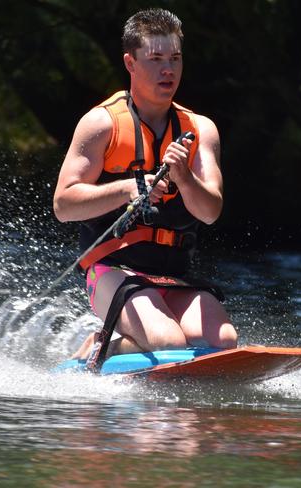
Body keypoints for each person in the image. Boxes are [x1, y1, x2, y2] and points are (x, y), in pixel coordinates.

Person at [53, 8, 237, 364]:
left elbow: (210, 212)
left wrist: (183, 176)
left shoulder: (201, 130)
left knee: (223, 342)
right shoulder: (101, 124)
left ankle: (122, 341)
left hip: (171, 272)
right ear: (131, 63)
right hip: (112, 270)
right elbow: (64, 205)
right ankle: (101, 343)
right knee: (168, 341)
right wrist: (127, 190)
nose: (168, 69)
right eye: (155, 59)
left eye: (175, 58)